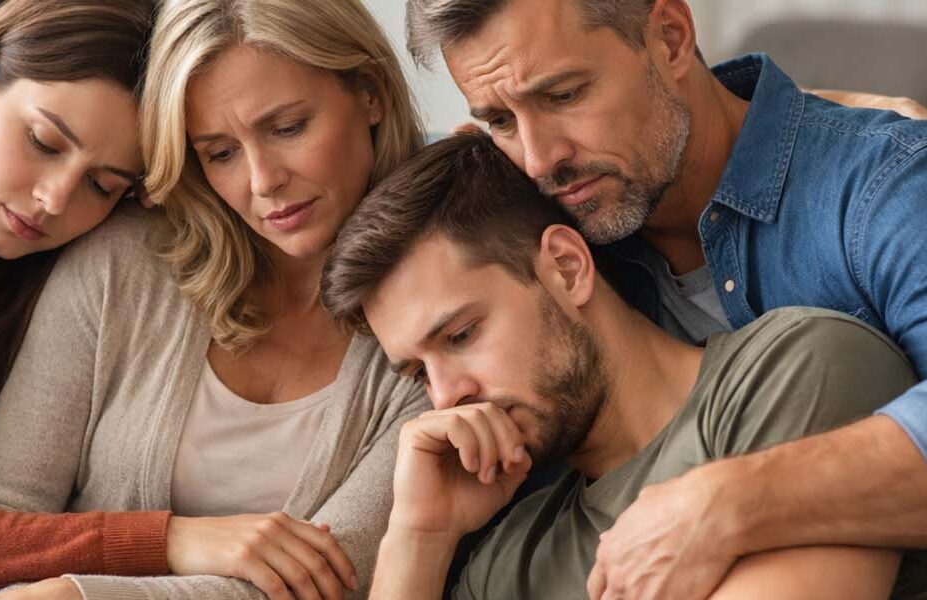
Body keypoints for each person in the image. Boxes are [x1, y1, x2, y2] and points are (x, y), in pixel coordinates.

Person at [404, 0, 927, 597]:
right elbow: (352, 189)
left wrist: (725, 501)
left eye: (565, 95)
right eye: (500, 119)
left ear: (672, 38)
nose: (539, 158)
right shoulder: (554, 224)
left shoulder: (884, 189)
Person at [0, 1, 428, 599]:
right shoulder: (123, 264)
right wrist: (167, 540)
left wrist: (78, 595)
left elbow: (332, 582)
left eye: (286, 127)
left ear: (371, 93)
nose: (261, 181)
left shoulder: (439, 316)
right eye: (220, 152)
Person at [319, 132, 927, 600]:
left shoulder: (794, 372)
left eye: (461, 334)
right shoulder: (506, 561)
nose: (448, 396)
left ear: (566, 267)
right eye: (418, 373)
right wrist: (418, 540)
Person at [0, 2, 234, 598]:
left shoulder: (65, 276)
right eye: (44, 142)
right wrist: (169, 541)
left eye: (101, 185)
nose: (55, 199)